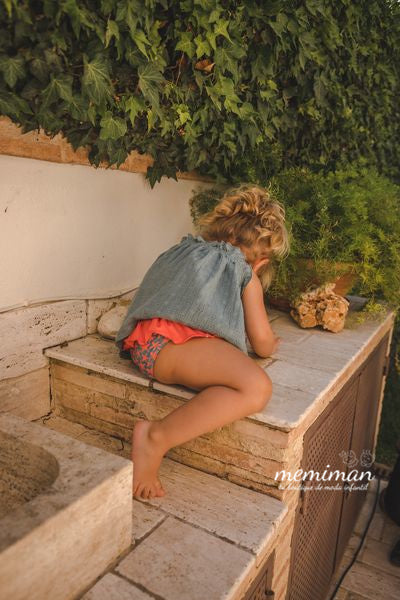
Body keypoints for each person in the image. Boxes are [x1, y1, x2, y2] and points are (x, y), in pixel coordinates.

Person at [114, 184, 290, 500]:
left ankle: (155, 437)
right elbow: (262, 343)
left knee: (238, 376)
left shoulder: (181, 250)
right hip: (171, 351)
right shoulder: (244, 271)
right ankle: (156, 437)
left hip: (143, 343)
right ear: (261, 262)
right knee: (256, 387)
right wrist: (272, 342)